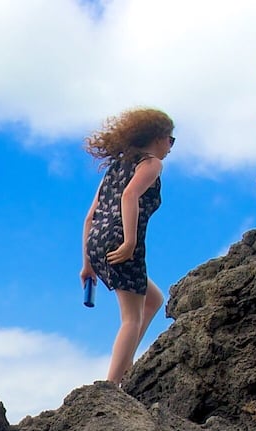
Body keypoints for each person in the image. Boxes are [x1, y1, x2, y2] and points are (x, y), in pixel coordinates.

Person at [79, 107, 172, 385]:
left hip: (97, 242)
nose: (170, 147)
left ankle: (125, 360)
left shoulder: (116, 168)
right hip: (122, 240)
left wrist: (87, 264)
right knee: (131, 318)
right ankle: (111, 385)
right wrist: (130, 241)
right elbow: (130, 195)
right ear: (158, 137)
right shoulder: (151, 163)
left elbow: (90, 217)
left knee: (153, 299)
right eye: (170, 140)